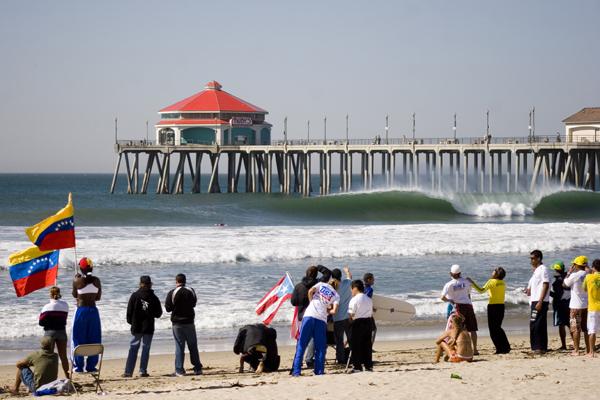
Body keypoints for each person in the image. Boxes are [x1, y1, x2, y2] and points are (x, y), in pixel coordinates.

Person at [291, 278, 340, 376]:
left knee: (302, 344)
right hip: (321, 320)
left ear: (328, 282)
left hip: (309, 315)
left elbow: (310, 291)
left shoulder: (321, 284)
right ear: (336, 287)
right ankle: (319, 371)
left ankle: (296, 371)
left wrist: (311, 302)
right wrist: (327, 311)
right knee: (320, 348)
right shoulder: (336, 295)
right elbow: (334, 311)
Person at [290, 264, 331, 368]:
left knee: (302, 341)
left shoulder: (299, 286)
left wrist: (303, 302)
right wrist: (318, 266)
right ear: (316, 274)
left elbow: (293, 302)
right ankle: (309, 359)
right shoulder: (319, 284)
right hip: (317, 314)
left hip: (303, 316)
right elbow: (328, 273)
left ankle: (297, 364)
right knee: (314, 338)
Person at [123, 276, 163, 378]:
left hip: (137, 326)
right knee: (146, 349)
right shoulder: (153, 297)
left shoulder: (134, 296)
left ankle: (128, 372)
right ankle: (142, 371)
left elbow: (129, 313)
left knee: (133, 348)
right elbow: (159, 313)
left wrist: (132, 323)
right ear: (150, 284)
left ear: (140, 284)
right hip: (148, 327)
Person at [165, 273, 203, 376]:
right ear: (185, 281)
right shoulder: (191, 290)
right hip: (189, 321)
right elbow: (194, 304)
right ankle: (197, 368)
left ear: (176, 281)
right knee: (193, 345)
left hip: (177, 323)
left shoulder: (172, 292)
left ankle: (179, 370)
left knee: (179, 346)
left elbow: (168, 308)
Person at [467, 267, 510, 354]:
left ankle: (500, 349)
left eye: (494, 270)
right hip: (501, 306)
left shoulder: (491, 281)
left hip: (493, 307)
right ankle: (506, 347)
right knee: (498, 328)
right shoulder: (502, 282)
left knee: (493, 330)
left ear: (496, 273)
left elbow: (481, 290)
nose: (492, 271)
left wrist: (472, 283)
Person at [71, 257, 102, 373]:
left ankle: (78, 366)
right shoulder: (97, 281)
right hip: (93, 311)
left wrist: (76, 279)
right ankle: (91, 366)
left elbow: (74, 295)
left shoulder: (77, 281)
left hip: (82, 310)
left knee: (78, 337)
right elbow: (98, 297)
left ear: (81, 268)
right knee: (94, 337)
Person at [441, 264, 478, 354]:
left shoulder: (449, 284)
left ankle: (454, 348)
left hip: (457, 307)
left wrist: (450, 300)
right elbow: (469, 294)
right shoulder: (466, 282)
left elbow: (442, 297)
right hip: (468, 306)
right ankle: (475, 349)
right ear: (460, 273)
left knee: (455, 329)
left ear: (450, 273)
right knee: (472, 329)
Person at [39, 286, 69, 378]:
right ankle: (68, 377)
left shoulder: (46, 307)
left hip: (49, 332)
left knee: (48, 356)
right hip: (61, 331)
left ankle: (49, 377)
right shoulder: (65, 305)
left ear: (50, 294)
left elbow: (41, 322)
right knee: (63, 356)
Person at [525, 249, 551, 354]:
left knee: (537, 324)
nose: (531, 260)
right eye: (530, 258)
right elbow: (535, 287)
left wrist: (540, 301)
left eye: (533, 258)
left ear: (538, 258)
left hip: (540, 301)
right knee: (535, 323)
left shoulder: (543, 269)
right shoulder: (536, 270)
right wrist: (528, 291)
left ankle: (539, 348)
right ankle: (538, 347)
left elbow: (546, 284)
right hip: (535, 301)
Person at [563, 255, 590, 355]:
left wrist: (569, 272)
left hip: (576, 305)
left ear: (576, 265)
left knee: (575, 328)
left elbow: (564, 284)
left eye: (574, 264)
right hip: (587, 305)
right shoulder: (589, 274)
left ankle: (577, 350)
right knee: (586, 328)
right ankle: (588, 349)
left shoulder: (575, 275)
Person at [348, 279, 373, 372]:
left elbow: (351, 314)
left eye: (351, 289)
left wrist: (350, 323)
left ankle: (357, 366)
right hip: (368, 322)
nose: (351, 291)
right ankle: (368, 366)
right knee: (367, 345)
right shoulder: (368, 299)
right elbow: (371, 313)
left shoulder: (354, 299)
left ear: (355, 288)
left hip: (358, 322)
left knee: (356, 345)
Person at [332, 266, 352, 364]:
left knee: (339, 341)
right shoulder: (347, 283)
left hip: (337, 319)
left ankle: (340, 359)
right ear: (340, 276)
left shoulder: (332, 288)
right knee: (350, 338)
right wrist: (347, 271)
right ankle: (353, 357)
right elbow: (349, 277)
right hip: (347, 317)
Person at [549, 260, 571, 350]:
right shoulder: (567, 278)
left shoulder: (557, 282)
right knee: (569, 324)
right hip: (568, 302)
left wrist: (548, 292)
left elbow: (558, 294)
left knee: (561, 325)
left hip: (559, 304)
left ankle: (564, 345)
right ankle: (575, 341)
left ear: (556, 270)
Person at [583, 259, 600, 357]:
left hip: (593, 307)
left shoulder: (588, 277)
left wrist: (589, 273)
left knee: (592, 330)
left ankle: (591, 352)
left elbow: (584, 288)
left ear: (593, 267)